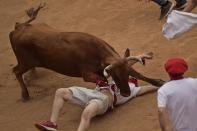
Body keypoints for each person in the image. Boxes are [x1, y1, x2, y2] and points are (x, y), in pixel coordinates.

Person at [35, 76, 160, 131]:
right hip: (89, 93)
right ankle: (52, 123)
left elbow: (146, 88)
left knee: (87, 112)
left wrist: (161, 85)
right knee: (61, 92)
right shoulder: (109, 80)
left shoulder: (131, 89)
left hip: (103, 101)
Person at [157, 58, 197, 131]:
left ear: (168, 72)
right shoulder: (194, 82)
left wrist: (164, 129)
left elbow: (161, 111)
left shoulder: (163, 90)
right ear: (184, 70)